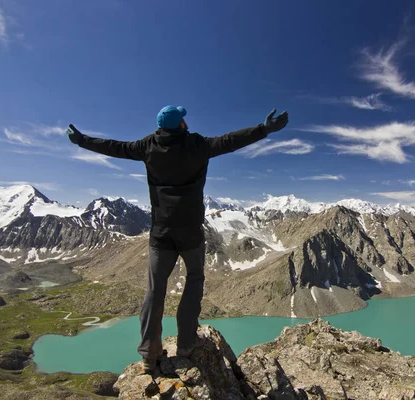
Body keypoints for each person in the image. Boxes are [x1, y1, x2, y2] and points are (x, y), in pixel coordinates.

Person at [67, 106, 289, 372]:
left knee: (154, 289)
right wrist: (264, 129)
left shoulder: (147, 146)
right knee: (194, 279)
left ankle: (150, 352)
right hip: (191, 232)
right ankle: (186, 342)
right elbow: (230, 141)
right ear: (180, 124)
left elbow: (115, 147)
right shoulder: (197, 144)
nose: (186, 121)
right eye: (183, 119)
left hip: (161, 232)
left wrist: (83, 141)